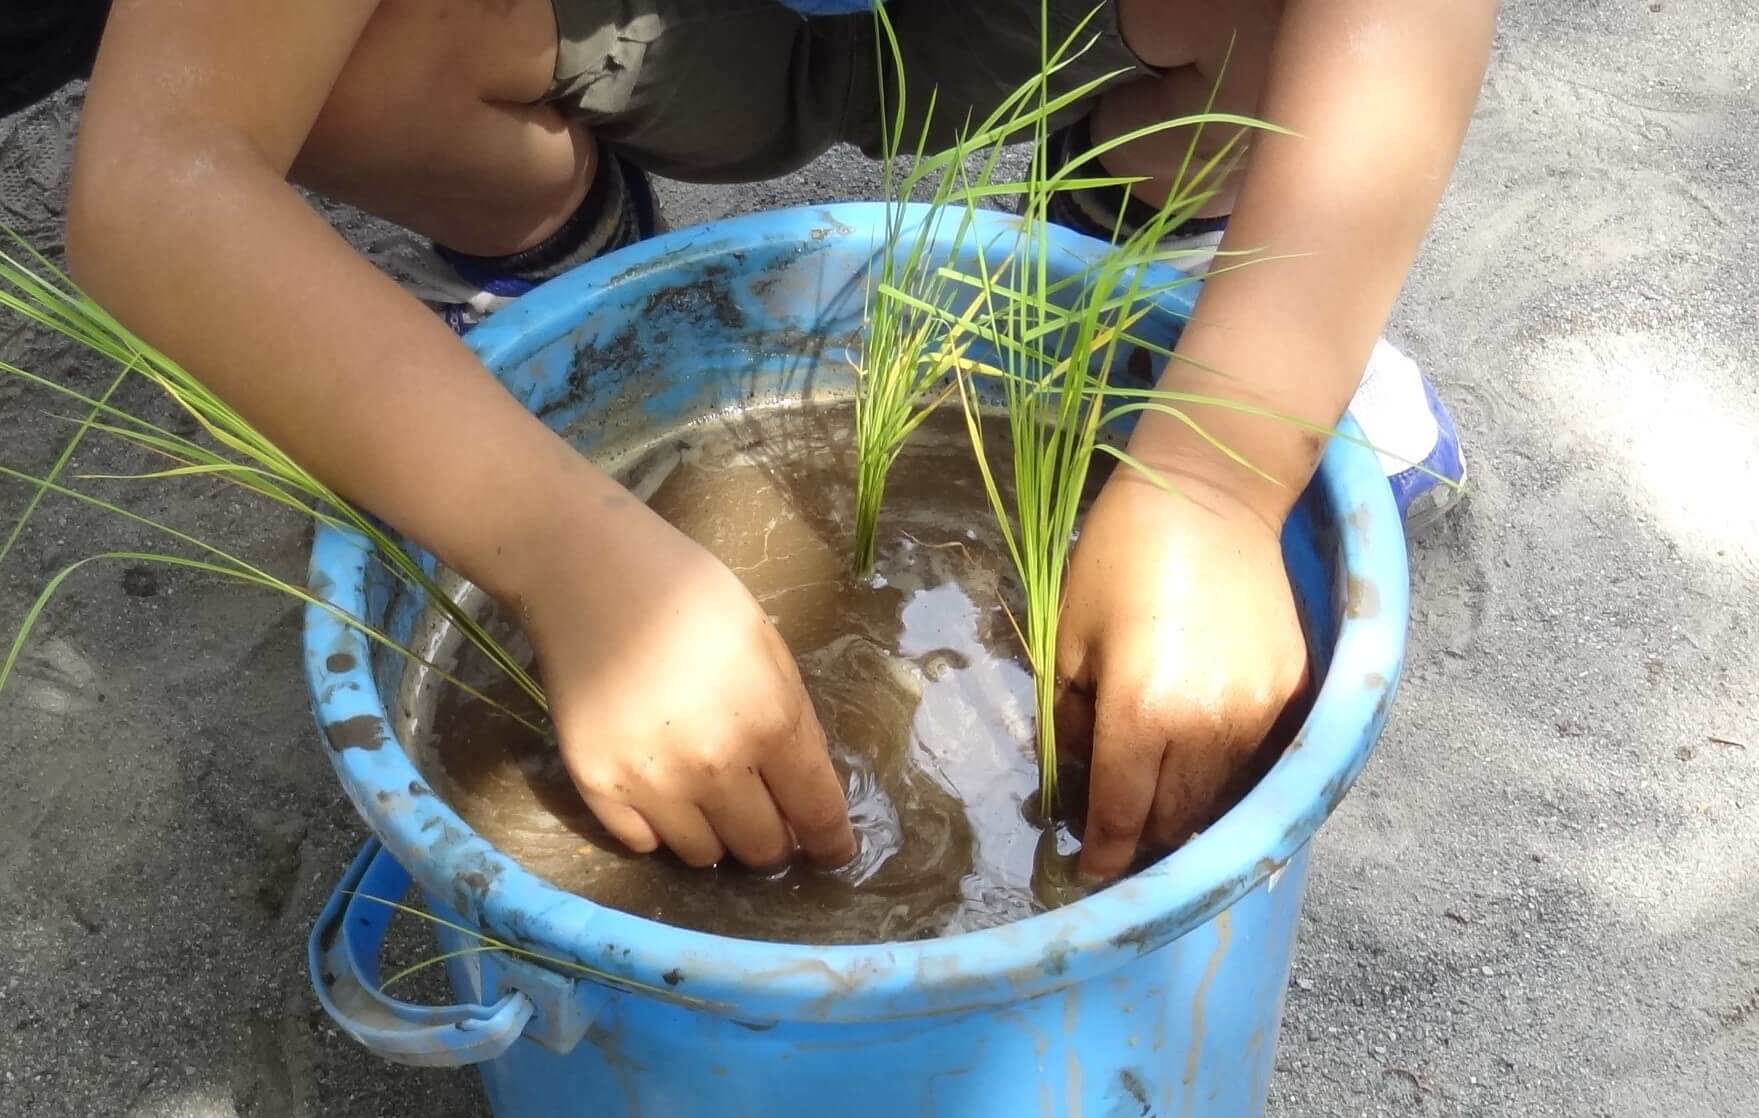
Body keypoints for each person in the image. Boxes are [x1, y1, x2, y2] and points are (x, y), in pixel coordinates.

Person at [12, 0, 1492, 880]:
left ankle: (1157, 286)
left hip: (1032, 27)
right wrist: (566, 548)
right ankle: (549, 273)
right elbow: (161, 172)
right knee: (359, 44)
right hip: (632, 29)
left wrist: (1218, 468)